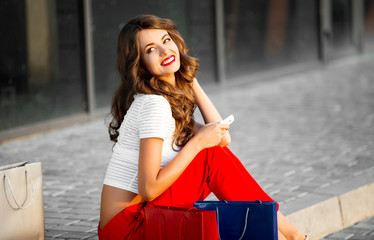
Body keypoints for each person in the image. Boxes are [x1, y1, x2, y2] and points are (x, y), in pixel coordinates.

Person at [99, 14, 309, 240]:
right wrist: (198, 143)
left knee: (212, 153)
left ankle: (290, 234)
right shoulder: (154, 105)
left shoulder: (165, 101)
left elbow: (221, 139)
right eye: (150, 50)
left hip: (137, 220)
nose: (164, 51)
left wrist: (191, 81)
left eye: (166, 40)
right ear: (139, 64)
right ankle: (293, 235)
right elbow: (148, 189)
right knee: (209, 156)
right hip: (128, 228)